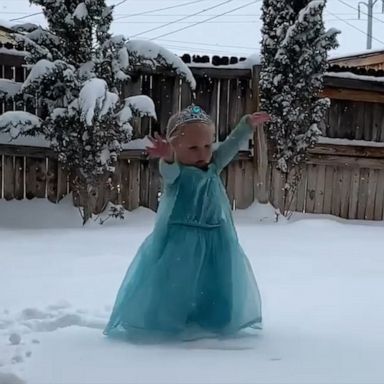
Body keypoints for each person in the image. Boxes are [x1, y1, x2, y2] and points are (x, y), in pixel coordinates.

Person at [103, 105, 271, 342]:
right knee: (177, 282)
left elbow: (230, 146)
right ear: (175, 148)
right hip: (182, 239)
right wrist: (168, 157)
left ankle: (215, 317)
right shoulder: (177, 174)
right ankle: (167, 320)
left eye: (206, 146)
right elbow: (168, 170)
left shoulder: (213, 166)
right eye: (192, 148)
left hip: (216, 235)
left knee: (216, 280)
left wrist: (246, 126)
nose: (202, 153)